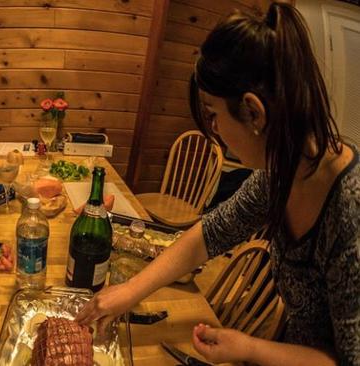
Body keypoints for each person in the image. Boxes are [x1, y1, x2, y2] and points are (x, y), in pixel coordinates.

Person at [77, 3, 359, 365]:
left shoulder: (350, 208)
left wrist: (250, 348)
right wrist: (128, 292)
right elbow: (210, 233)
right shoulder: (283, 171)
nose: (213, 130)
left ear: (254, 112)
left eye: (213, 114)